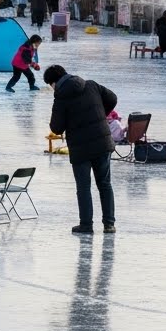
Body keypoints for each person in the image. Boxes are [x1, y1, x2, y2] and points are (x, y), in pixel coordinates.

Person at [45, 64, 117, 234]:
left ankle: (86, 225)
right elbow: (112, 98)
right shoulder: (91, 85)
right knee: (105, 184)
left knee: (83, 187)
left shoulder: (61, 97)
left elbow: (56, 128)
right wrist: (99, 115)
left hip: (81, 148)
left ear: (54, 83)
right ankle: (109, 224)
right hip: (102, 143)